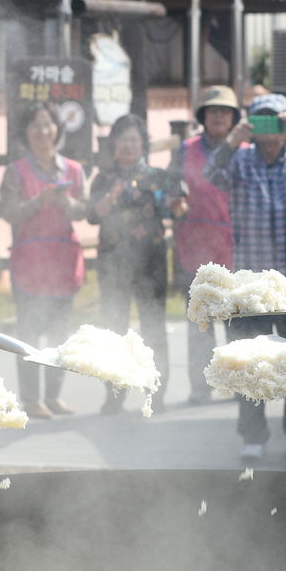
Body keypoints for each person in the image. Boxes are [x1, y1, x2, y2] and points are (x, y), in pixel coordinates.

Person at [206, 92, 286, 460]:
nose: (268, 126)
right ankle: (253, 435)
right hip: (249, 278)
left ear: (285, 121)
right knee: (249, 360)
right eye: (260, 118)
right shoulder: (240, 159)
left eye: (274, 118)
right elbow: (210, 174)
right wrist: (233, 140)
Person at [0, 100, 88, 418]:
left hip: (63, 263)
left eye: (48, 124)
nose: (42, 130)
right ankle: (30, 399)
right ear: (26, 132)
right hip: (30, 265)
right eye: (35, 125)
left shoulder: (75, 170)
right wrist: (40, 200)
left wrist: (66, 203)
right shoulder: (16, 171)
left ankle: (53, 396)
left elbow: (84, 211)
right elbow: (8, 212)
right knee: (29, 332)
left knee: (61, 335)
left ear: (57, 130)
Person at [88, 115, 175, 414]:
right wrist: (110, 196)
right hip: (112, 264)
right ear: (113, 145)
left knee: (154, 329)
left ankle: (156, 394)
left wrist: (181, 205)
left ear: (143, 144)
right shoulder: (102, 179)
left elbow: (178, 209)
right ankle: (114, 397)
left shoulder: (158, 176)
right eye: (122, 139)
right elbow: (93, 215)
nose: (127, 145)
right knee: (113, 330)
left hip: (151, 264)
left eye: (133, 139)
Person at [166, 85, 242, 404]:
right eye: (213, 110)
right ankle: (200, 386)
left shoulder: (245, 148)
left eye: (225, 110)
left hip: (236, 243)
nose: (219, 115)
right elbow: (170, 187)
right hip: (194, 244)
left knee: (238, 320)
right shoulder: (185, 149)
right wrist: (173, 203)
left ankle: (239, 383)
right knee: (200, 321)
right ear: (203, 117)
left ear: (235, 117)